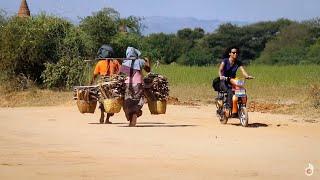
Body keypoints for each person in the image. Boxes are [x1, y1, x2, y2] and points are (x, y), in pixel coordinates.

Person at [218, 46, 254, 117]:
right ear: (229, 53)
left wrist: (247, 76)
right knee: (229, 91)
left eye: (237, 53)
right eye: (233, 52)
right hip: (224, 80)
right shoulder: (225, 61)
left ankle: (240, 108)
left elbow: (243, 71)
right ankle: (228, 108)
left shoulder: (238, 62)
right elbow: (220, 69)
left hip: (232, 80)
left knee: (242, 90)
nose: (235, 54)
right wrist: (221, 76)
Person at [120, 47, 151, 127]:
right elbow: (148, 70)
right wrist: (147, 61)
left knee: (128, 100)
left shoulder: (125, 62)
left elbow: (121, 74)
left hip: (127, 84)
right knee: (137, 100)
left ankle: (131, 116)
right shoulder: (140, 61)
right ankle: (135, 112)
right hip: (138, 83)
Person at [90, 45, 121, 124]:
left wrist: (91, 83)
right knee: (110, 100)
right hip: (113, 83)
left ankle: (102, 116)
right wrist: (116, 75)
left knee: (102, 100)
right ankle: (107, 118)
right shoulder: (115, 62)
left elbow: (95, 75)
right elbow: (121, 71)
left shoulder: (100, 63)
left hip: (102, 82)